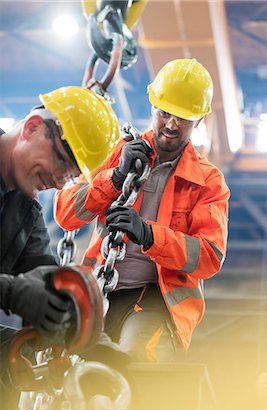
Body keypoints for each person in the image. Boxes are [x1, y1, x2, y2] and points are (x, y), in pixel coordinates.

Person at [55, 58, 230, 364]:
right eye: (165, 113)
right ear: (153, 106)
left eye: (183, 118)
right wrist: (115, 178)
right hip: (100, 290)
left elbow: (210, 256)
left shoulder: (208, 181)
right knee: (79, 373)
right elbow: (66, 214)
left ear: (199, 120)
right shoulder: (118, 154)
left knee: (134, 359)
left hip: (156, 301)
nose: (172, 125)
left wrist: (149, 235)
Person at [0, 85, 120, 410]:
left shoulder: (23, 211)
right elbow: (21, 290)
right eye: (62, 163)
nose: (58, 182)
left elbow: (53, 279)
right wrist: (12, 291)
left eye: (70, 176)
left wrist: (85, 331)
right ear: (33, 127)